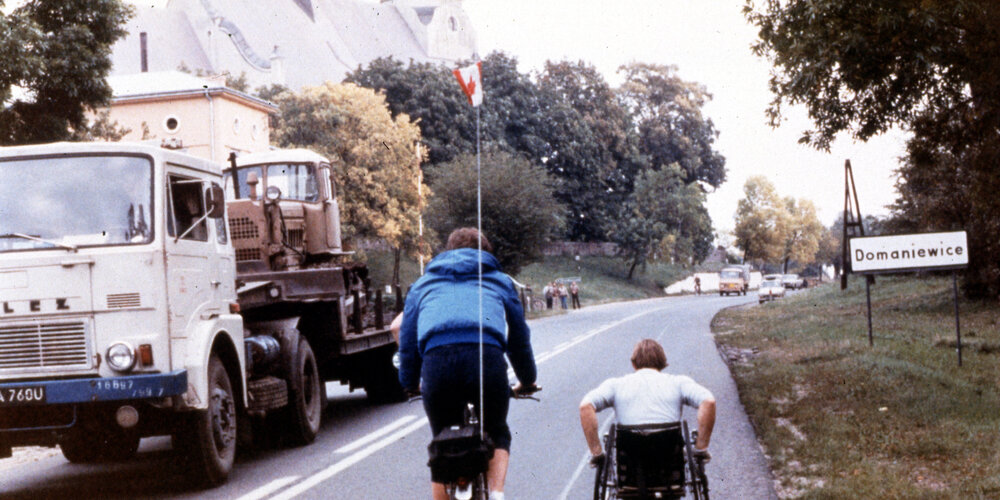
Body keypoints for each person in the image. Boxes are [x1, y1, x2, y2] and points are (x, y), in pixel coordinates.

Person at [397, 228, 538, 500]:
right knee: (497, 430)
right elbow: (519, 336)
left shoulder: (422, 285)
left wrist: (409, 383)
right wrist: (528, 379)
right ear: (485, 253)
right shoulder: (498, 281)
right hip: (486, 362)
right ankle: (496, 494)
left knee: (442, 440)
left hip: (437, 364)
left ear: (448, 251)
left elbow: (408, 340)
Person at [579, 339, 715, 467]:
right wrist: (700, 448)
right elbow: (708, 401)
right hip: (668, 452)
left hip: (630, 454)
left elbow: (586, 406)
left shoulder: (615, 385)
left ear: (633, 363)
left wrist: (597, 452)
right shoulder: (679, 383)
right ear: (663, 363)